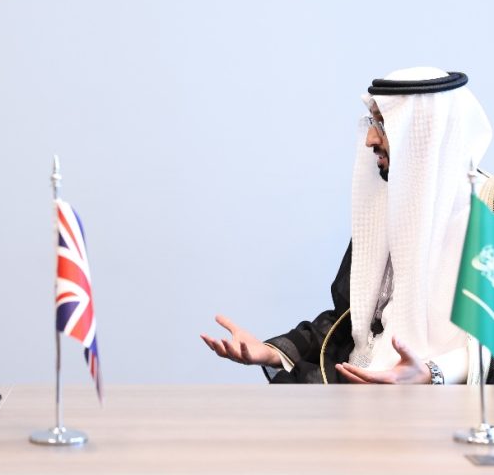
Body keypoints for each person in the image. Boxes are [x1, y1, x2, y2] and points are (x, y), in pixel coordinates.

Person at [201, 67, 494, 384]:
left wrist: (432, 373)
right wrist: (273, 352)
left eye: (383, 125)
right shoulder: (387, 210)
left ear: (426, 132)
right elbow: (352, 321)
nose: (370, 139)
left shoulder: (486, 213)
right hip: (357, 384)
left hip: (441, 402)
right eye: (373, 123)